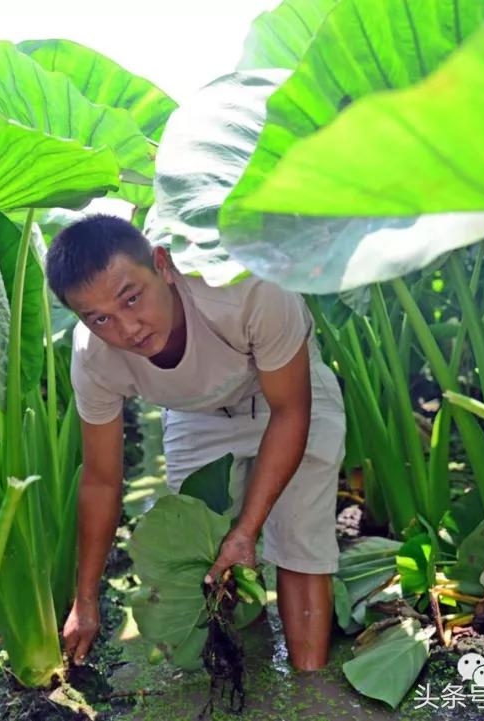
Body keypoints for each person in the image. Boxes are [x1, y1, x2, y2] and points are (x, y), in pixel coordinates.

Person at [46, 214, 346, 671]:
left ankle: (309, 688)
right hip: (196, 415)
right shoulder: (93, 359)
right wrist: (84, 600)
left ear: (162, 265)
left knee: (300, 541)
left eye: (132, 298)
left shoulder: (248, 288)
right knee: (205, 560)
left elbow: (290, 412)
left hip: (283, 395)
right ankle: (252, 680)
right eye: (101, 317)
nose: (128, 329)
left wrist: (249, 529)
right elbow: (103, 479)